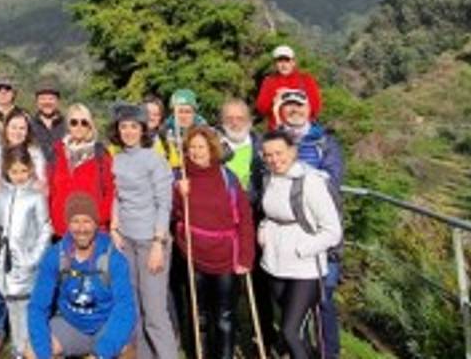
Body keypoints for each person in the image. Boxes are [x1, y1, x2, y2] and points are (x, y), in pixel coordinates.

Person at [258, 131, 342, 359]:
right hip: (274, 265)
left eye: (279, 153)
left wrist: (302, 249)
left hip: (305, 270)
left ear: (293, 152)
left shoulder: (311, 182)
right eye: (268, 155)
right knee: (295, 331)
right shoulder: (269, 178)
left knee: (289, 331)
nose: (274, 159)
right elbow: (270, 213)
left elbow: (333, 231)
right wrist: (263, 229)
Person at [174, 126, 255, 359]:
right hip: (193, 257)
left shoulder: (227, 178)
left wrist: (245, 258)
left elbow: (245, 219)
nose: (197, 152)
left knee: (224, 316)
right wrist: (179, 195)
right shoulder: (180, 177)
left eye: (202, 147)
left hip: (225, 259)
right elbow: (174, 215)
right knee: (198, 314)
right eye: (192, 148)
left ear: (212, 149)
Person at [27, 193, 137, 359]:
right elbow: (37, 306)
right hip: (71, 324)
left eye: (87, 221)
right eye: (75, 221)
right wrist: (43, 354)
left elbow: (125, 308)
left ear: (96, 224)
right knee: (32, 352)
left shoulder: (114, 258)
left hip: (106, 324)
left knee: (127, 349)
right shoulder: (55, 255)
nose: (81, 229)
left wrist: (102, 354)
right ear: (68, 224)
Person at [0, 108, 48, 352]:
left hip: (25, 221)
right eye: (13, 126)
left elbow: (42, 183)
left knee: (23, 287)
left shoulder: (34, 153)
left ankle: (25, 340)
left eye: (22, 128)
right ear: (6, 128)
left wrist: (34, 188)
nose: (17, 131)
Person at [108, 103, 178, 359]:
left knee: (155, 313)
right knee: (134, 309)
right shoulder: (117, 159)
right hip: (126, 241)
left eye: (133, 127)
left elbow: (164, 202)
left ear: (142, 129)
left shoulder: (154, 159)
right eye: (123, 126)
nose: (128, 131)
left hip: (151, 241)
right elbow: (117, 196)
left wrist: (159, 243)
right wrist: (115, 227)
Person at [278, 92, 345, 359]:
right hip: (285, 239)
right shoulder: (272, 141)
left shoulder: (325, 143)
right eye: (289, 106)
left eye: (299, 105)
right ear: (281, 110)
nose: (294, 110)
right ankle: (300, 352)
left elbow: (332, 180)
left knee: (323, 299)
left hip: (320, 234)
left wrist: (296, 172)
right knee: (291, 302)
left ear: (310, 109)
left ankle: (329, 354)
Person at [47, 103, 114, 236]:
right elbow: (50, 190)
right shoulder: (57, 152)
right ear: (68, 125)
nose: (78, 127)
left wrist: (98, 218)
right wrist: (51, 220)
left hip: (92, 230)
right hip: (61, 229)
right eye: (74, 122)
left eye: (84, 122)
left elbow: (111, 191)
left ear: (90, 126)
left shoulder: (100, 154)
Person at [254, 45, 323, 130]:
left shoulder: (306, 80)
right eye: (280, 61)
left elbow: (316, 107)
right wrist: (274, 99)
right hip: (278, 132)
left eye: (287, 60)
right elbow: (261, 108)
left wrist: (293, 97)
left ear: (293, 62)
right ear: (275, 64)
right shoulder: (269, 82)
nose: (283, 65)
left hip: (303, 132)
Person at [218, 98, 265, 205]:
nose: (234, 123)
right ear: (222, 121)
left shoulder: (262, 145)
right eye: (229, 119)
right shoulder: (213, 145)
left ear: (249, 121)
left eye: (240, 118)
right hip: (222, 206)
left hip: (253, 207)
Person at [160, 90, 210, 171]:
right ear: (173, 113)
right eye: (180, 112)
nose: (183, 116)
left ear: (194, 113)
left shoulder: (206, 132)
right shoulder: (164, 132)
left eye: (188, 112)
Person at [30, 77, 67, 165]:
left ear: (58, 101)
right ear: (36, 102)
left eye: (51, 98)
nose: (47, 102)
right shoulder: (28, 125)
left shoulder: (70, 125)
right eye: (42, 98)